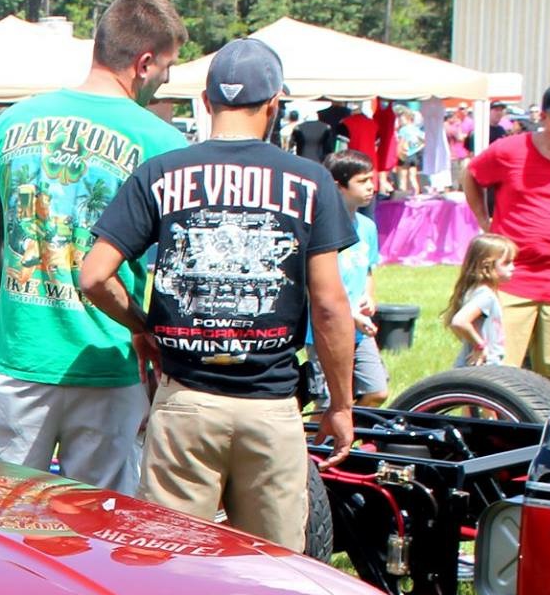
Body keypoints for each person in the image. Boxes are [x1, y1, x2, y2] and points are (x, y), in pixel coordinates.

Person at [80, 36, 358, 552]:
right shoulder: (311, 180)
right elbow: (328, 305)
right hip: (271, 405)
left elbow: (94, 275)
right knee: (275, 573)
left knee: (168, 565)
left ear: (206, 103)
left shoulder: (161, 174)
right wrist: (340, 404)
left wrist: (143, 330)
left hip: (186, 399)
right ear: (274, 105)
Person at [0, 0, 189, 494]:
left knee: (2, 521)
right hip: (109, 359)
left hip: (21, 359)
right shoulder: (163, 143)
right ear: (144, 62)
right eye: (167, 69)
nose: (163, 82)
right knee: (102, 525)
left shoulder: (13, 122)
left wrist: (9, 328)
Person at [462, 80, 550, 380]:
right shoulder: (509, 150)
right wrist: (483, 221)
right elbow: (471, 175)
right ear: (543, 117)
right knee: (497, 367)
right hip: (509, 279)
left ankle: (543, 427)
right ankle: (485, 426)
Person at [302, 151, 388, 408]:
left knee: (377, 390)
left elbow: (369, 269)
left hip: (359, 331)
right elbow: (313, 286)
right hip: (325, 328)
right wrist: (350, 314)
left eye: (371, 179)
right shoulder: (318, 228)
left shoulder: (367, 227)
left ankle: (346, 438)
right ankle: (317, 447)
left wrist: (368, 296)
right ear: (338, 186)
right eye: (362, 181)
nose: (372, 186)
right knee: (327, 403)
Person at [447, 233, 519, 367]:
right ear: (487, 266)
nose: (513, 267)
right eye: (507, 263)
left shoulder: (476, 290)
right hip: (483, 366)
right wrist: (479, 346)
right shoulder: (485, 296)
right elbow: (459, 321)